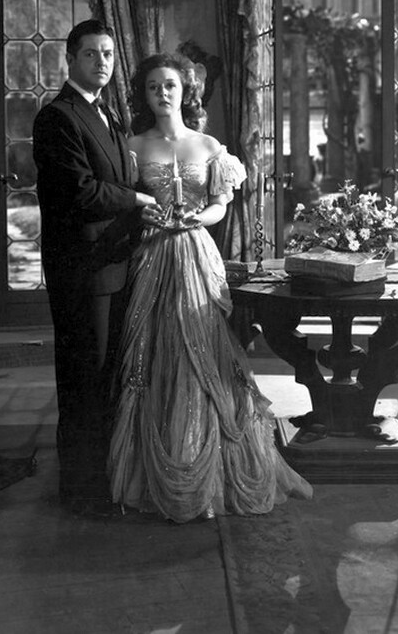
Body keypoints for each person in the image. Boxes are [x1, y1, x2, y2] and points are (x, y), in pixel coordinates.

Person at [107, 53, 313, 523]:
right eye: (154, 86)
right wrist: (145, 212)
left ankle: (214, 461)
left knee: (203, 344)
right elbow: (124, 201)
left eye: (170, 85)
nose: (163, 93)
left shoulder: (208, 146)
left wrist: (200, 217)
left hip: (196, 252)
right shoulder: (133, 146)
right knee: (155, 347)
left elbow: (220, 204)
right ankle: (157, 466)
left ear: (186, 91)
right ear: (144, 94)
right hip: (153, 253)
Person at [32, 20, 157, 488]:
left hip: (113, 262)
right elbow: (81, 192)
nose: (102, 62)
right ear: (70, 59)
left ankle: (104, 477)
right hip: (82, 268)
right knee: (84, 376)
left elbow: (119, 179)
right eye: (91, 53)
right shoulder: (57, 117)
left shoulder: (107, 114)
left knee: (106, 375)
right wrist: (139, 199)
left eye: (108, 53)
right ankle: (81, 486)